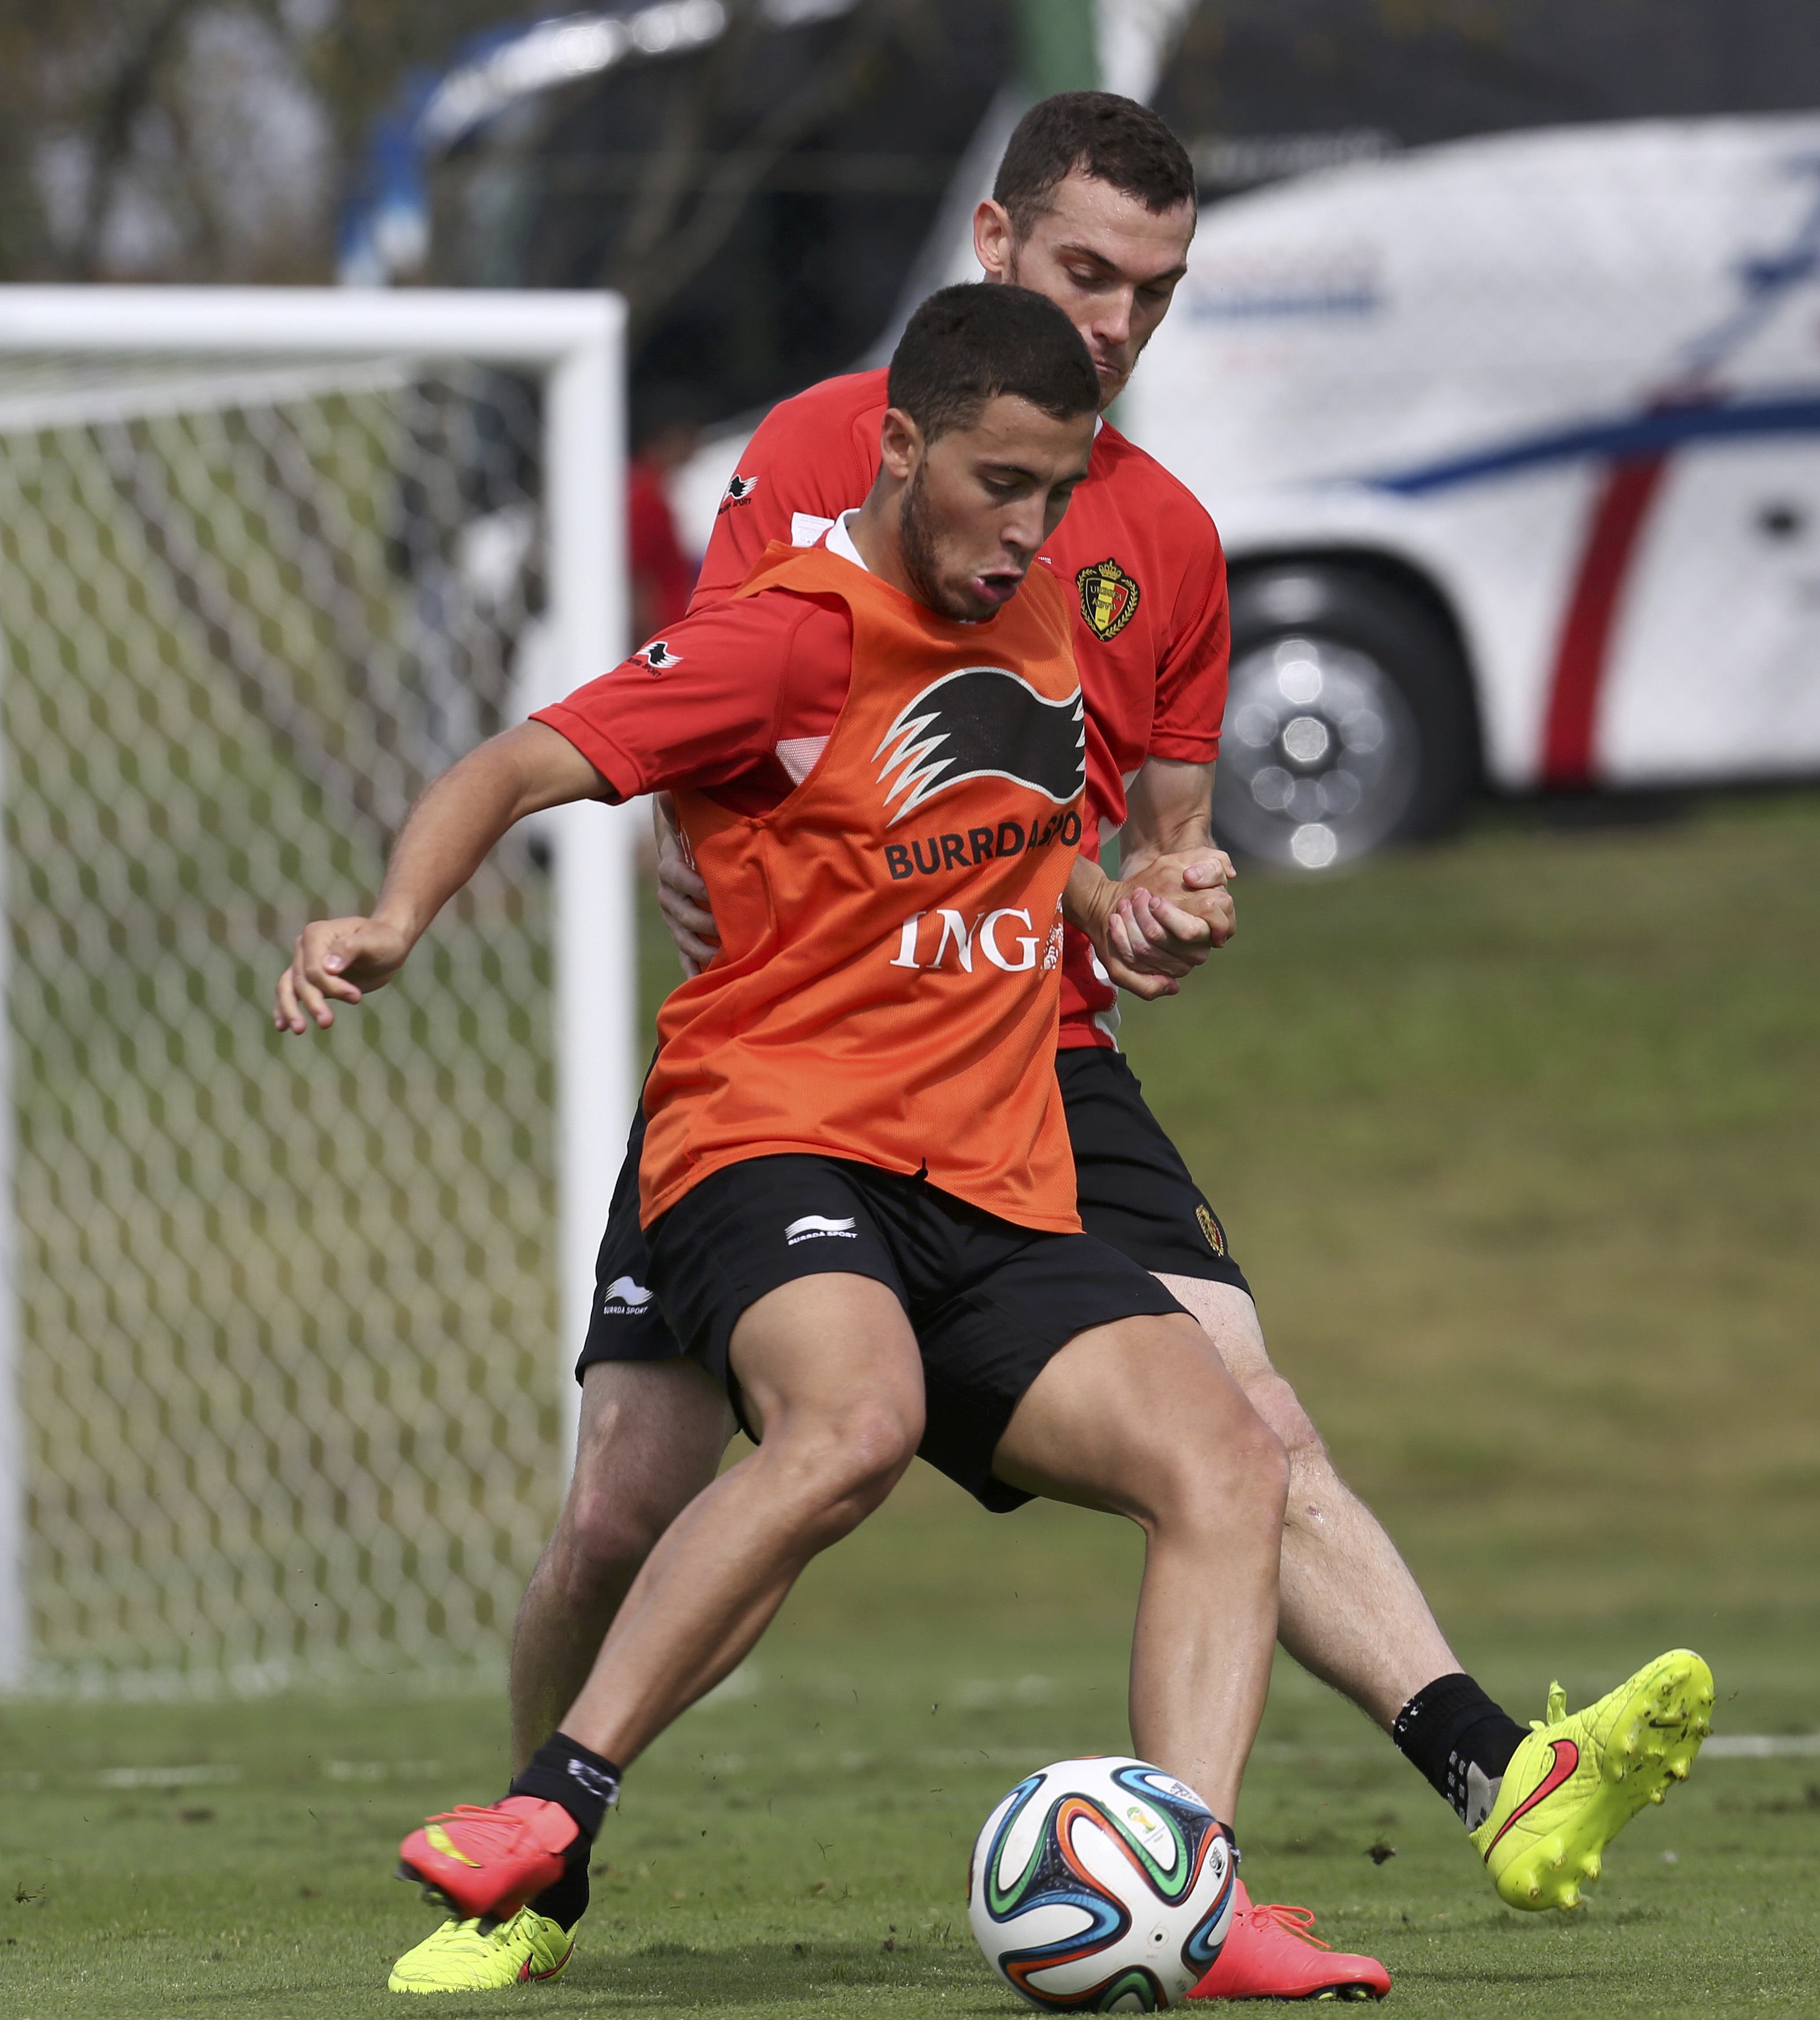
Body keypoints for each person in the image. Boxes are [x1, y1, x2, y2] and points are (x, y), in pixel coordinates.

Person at [398, 93, 1711, 1998]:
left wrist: (1166, 898)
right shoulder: (822, 456)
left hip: (1031, 1049)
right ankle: (530, 1843)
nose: (1113, 323)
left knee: (1237, 1431)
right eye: (1085, 273)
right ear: (997, 242)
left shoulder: (1154, 536)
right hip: (789, 1056)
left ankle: (1440, 1787)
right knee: (622, 1498)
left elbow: (1150, 839)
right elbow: (718, 714)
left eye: (1154, 295)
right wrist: (703, 867)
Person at [279, 283, 1293, 1987]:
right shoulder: (790, 632)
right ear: (899, 449)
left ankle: (1186, 1895)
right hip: (777, 1137)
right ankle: (548, 1815)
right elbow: (516, 767)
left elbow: (1002, 847)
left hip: (991, 1171)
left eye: (1054, 489)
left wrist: (1124, 901)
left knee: (1231, 1459)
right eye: (994, 483)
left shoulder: (1038, 617)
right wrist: (391, 916)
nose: (1027, 529)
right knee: (850, 1419)